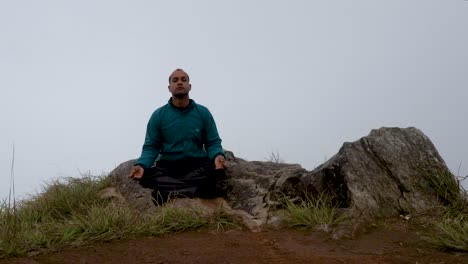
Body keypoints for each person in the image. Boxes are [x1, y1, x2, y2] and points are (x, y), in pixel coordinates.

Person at [129, 68, 226, 204]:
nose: (179, 83)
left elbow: (213, 142)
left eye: (183, 80)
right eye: (175, 80)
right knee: (146, 177)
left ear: (189, 86)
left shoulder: (203, 112)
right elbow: (151, 147)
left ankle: (170, 191)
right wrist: (141, 165)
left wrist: (218, 156)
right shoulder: (158, 115)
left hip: (196, 165)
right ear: (169, 88)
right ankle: (193, 190)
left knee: (216, 173)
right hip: (169, 167)